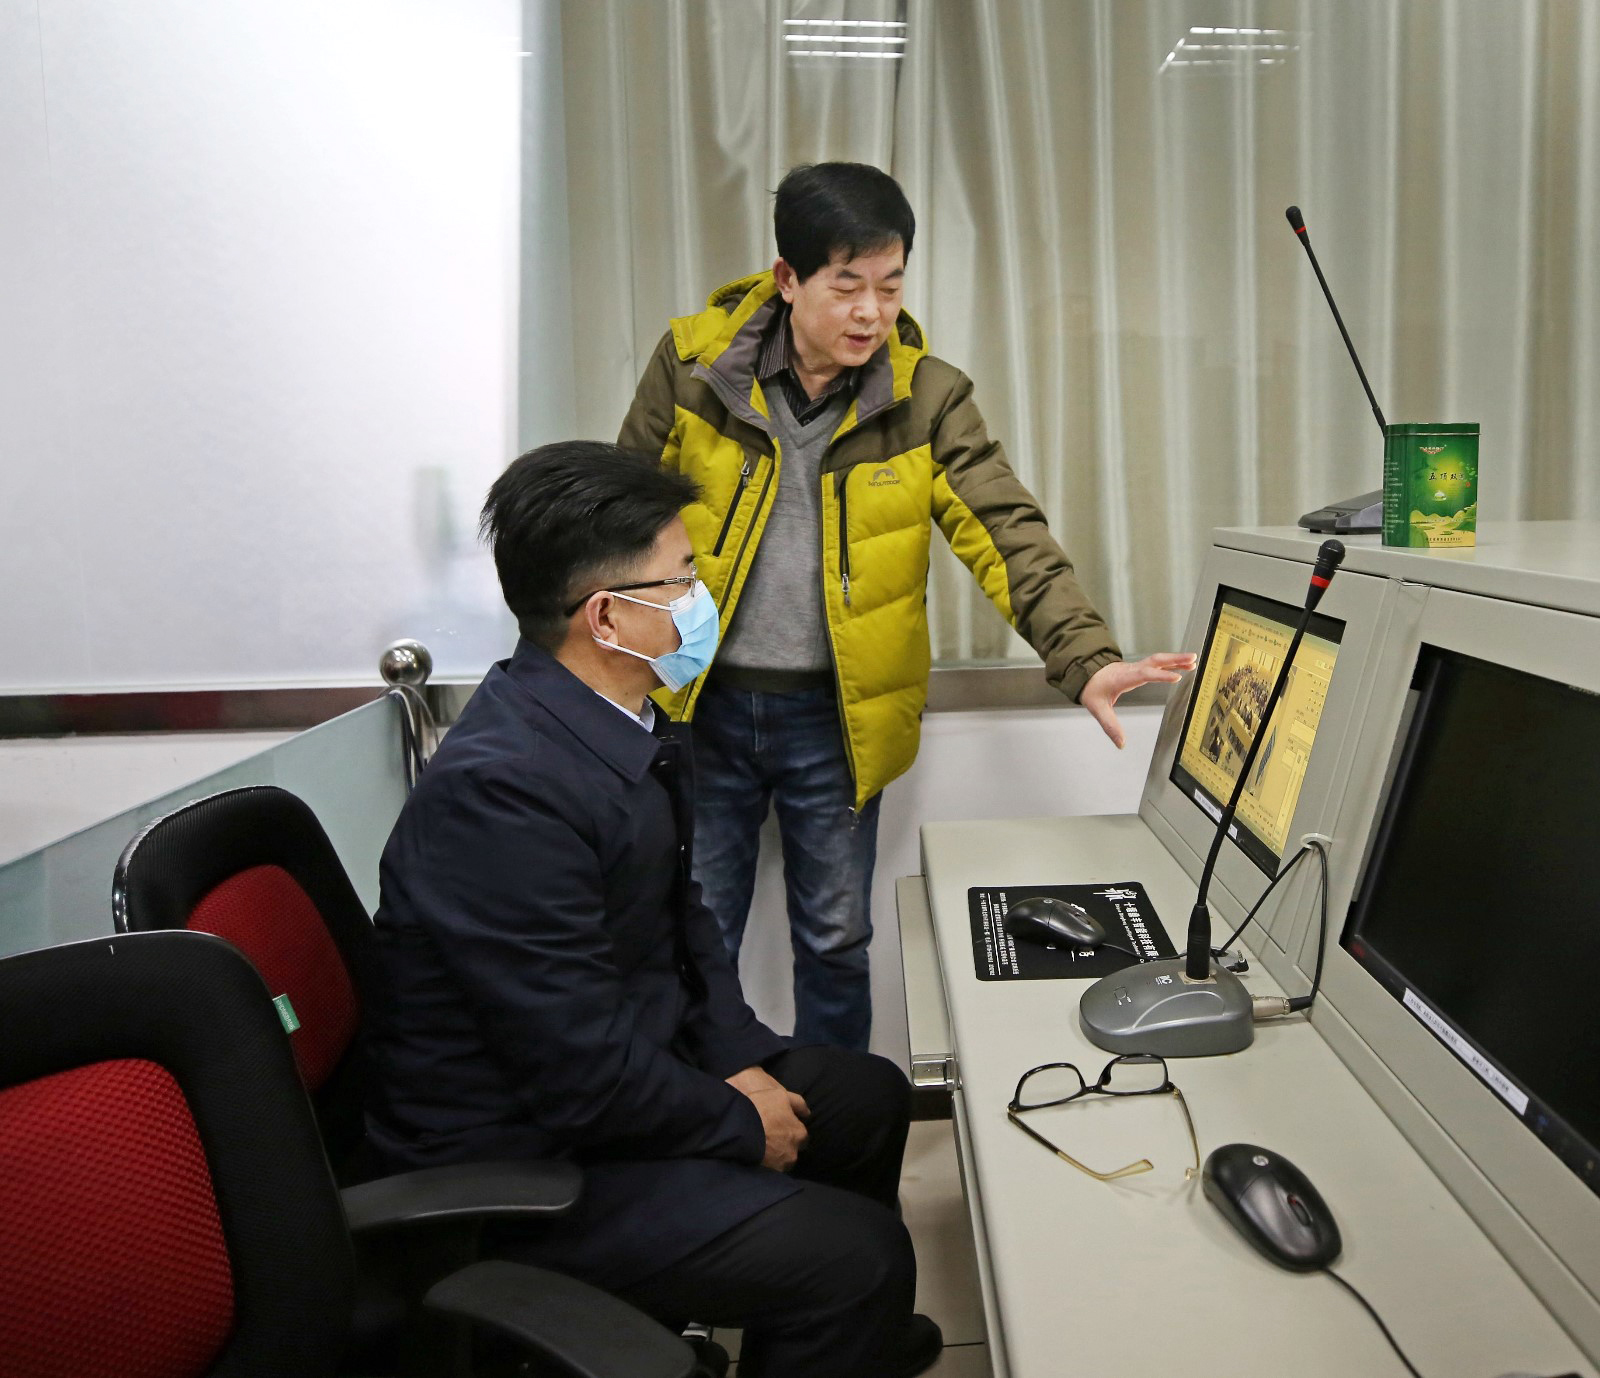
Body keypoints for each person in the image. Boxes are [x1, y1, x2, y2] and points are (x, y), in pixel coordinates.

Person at [363, 440, 942, 1378]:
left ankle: (844, 1340)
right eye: (682, 579)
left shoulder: (611, 725)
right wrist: (736, 1122)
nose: (701, 598)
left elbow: (684, 930)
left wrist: (737, 1059)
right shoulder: (503, 793)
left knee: (866, 1099)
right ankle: (840, 1305)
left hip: (603, 1085)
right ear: (606, 616)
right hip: (523, 1166)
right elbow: (576, 1067)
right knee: (854, 1254)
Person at [620, 161, 1196, 1050]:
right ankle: (707, 1120)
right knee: (699, 940)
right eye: (846, 286)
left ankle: (838, 1125)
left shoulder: (924, 396)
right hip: (703, 708)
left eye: (889, 288)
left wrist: (1085, 659)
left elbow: (1005, 530)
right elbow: (619, 518)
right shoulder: (697, 369)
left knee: (835, 940)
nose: (870, 313)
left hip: (839, 720)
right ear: (788, 279)